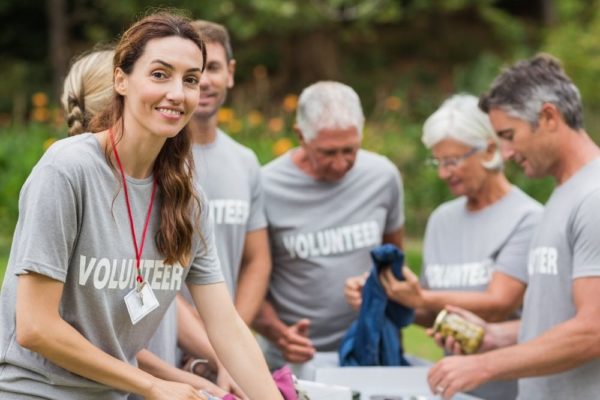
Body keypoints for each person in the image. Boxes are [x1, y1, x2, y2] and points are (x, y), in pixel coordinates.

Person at [0, 12, 282, 400]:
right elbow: (34, 326)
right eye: (160, 74)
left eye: (190, 80)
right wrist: (154, 385)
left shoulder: (188, 196)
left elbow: (227, 327)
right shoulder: (68, 170)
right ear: (121, 79)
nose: (177, 93)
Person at [61, 49, 237, 399]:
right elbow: (87, 331)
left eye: (188, 79)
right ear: (121, 90)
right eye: (157, 77)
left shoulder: (176, 190)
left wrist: (221, 357)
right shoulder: (69, 177)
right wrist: (167, 380)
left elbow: (165, 294)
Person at [345, 93, 542, 399]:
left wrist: (420, 296)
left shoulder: (527, 219)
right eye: (437, 161)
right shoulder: (442, 220)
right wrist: (386, 294)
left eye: (451, 161)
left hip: (511, 390)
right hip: (453, 389)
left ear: (489, 149)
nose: (442, 172)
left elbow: (499, 302)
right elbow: (429, 311)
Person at [427, 54, 600, 400]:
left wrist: (486, 365)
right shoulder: (564, 194)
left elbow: (592, 329)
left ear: (549, 117)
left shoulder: (594, 198)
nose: (504, 153)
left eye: (509, 135)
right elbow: (556, 321)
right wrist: (495, 336)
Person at [253, 81, 405, 375]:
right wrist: (278, 333)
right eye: (327, 152)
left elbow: (393, 262)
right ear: (300, 135)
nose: (340, 164)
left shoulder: (382, 177)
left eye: (350, 150)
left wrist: (377, 287)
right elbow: (248, 279)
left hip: (368, 353)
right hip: (291, 360)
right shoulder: (265, 186)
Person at [175, 20, 271, 382]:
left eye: (212, 68)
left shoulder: (245, 161)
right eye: (193, 73)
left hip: (226, 356)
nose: (204, 81)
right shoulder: (157, 160)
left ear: (230, 73)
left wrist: (232, 337)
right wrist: (208, 341)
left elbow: (257, 259)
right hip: (160, 345)